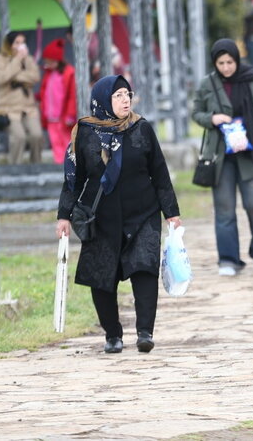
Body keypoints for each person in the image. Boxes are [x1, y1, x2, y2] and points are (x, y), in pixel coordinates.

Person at [56, 75, 181, 354]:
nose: (126, 100)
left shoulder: (141, 128)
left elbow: (159, 172)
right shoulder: (85, 132)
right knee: (102, 276)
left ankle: (145, 332)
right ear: (103, 101)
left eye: (128, 94)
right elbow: (73, 178)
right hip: (100, 215)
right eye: (118, 95)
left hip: (143, 212)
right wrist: (64, 215)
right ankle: (112, 334)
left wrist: (171, 212)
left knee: (144, 268)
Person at [192, 39, 253, 276]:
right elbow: (196, 112)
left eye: (230, 62)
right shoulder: (207, 84)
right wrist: (212, 118)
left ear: (237, 60)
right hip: (221, 155)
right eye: (221, 63)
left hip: (252, 151)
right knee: (225, 208)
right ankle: (228, 259)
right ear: (214, 63)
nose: (226, 67)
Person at [0, 30, 43, 164]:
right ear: (9, 44)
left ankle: (36, 167)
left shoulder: (29, 59)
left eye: (23, 42)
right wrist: (17, 61)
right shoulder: (0, 60)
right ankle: (15, 169)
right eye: (17, 43)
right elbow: (1, 78)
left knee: (37, 135)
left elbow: (35, 76)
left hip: (28, 108)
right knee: (19, 136)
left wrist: (15, 76)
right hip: (8, 109)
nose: (21, 46)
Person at [37, 38, 76, 164]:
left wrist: (70, 114)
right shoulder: (48, 74)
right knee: (55, 144)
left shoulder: (68, 73)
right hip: (51, 118)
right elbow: (45, 93)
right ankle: (60, 165)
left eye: (50, 61)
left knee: (66, 143)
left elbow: (72, 96)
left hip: (63, 117)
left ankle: (70, 167)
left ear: (57, 60)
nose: (47, 64)